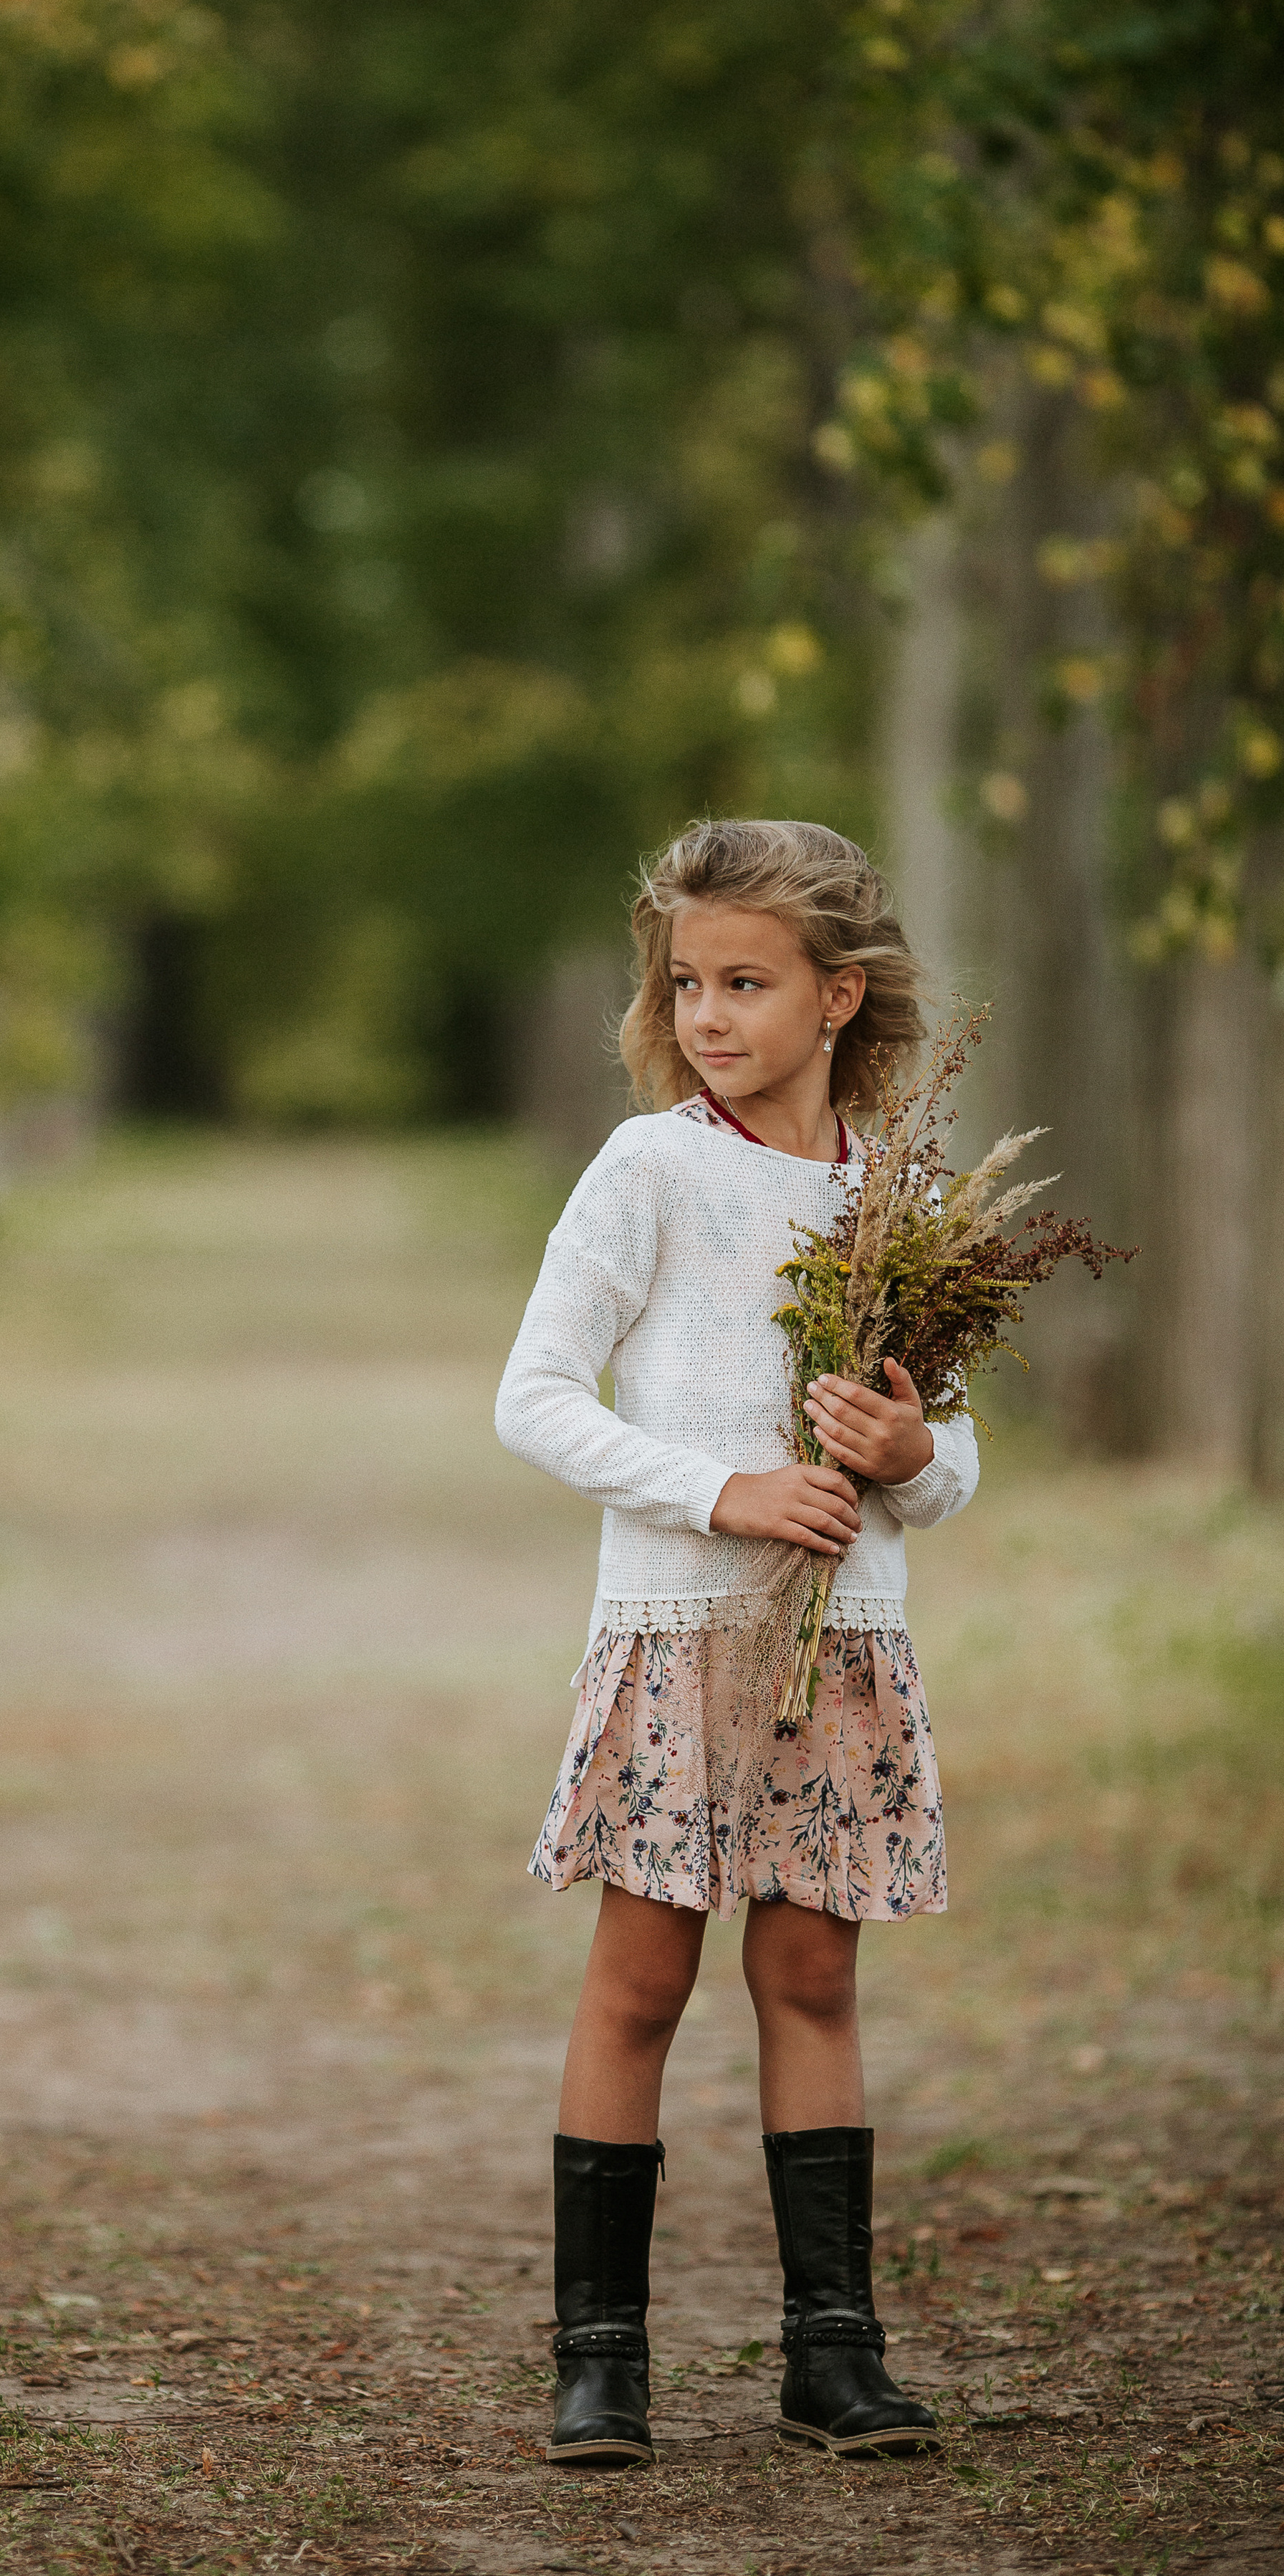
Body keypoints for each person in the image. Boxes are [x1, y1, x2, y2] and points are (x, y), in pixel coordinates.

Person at [495, 816, 979, 2467]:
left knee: (810, 1976)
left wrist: (908, 1456)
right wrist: (723, 1490)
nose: (706, 1014)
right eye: (686, 982)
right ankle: (599, 2359)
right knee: (638, 1982)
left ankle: (830, 2355)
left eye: (746, 983)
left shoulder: (897, 1198)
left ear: (838, 997)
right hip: (677, 1635)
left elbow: (951, 1460)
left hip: (839, 1650)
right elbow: (535, 1398)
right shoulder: (649, 1169)